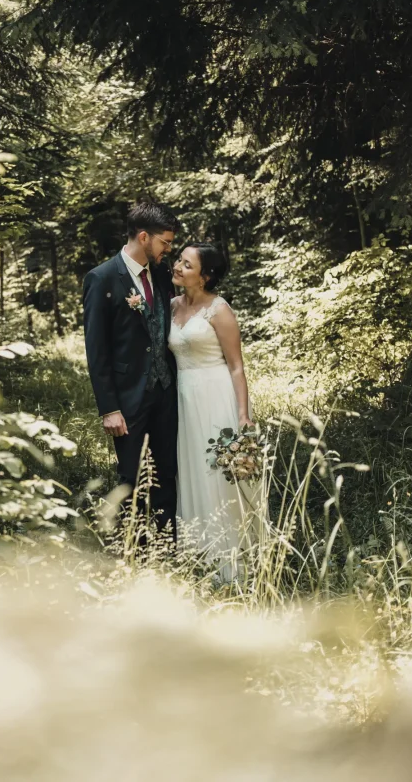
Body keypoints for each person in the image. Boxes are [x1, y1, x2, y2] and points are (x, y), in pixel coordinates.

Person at [82, 201, 180, 537]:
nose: (169, 249)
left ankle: (168, 544)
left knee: (167, 471)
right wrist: (109, 408)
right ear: (143, 237)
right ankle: (133, 548)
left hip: (166, 393)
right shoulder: (102, 278)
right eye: (165, 242)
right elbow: (97, 350)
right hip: (127, 398)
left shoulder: (163, 274)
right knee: (133, 475)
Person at [168, 242, 257, 577]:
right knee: (188, 471)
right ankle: (196, 553)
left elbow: (236, 366)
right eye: (179, 260)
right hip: (182, 398)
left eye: (186, 265)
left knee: (216, 474)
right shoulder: (172, 305)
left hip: (215, 394)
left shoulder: (220, 310)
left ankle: (230, 564)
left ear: (204, 277)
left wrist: (242, 415)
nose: (177, 266)